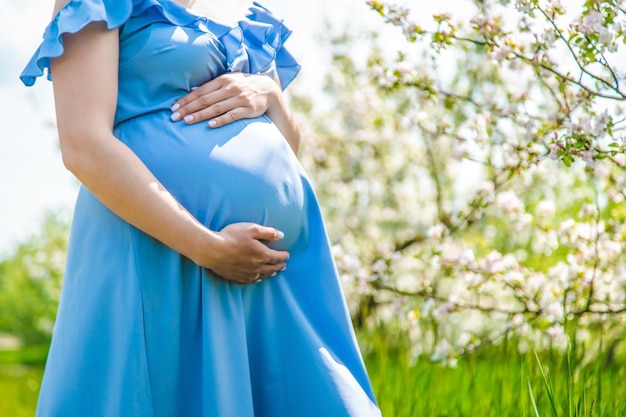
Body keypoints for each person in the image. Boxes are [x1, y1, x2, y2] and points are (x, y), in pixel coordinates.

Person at [21, 0, 382, 415]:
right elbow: (83, 144)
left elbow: (284, 150)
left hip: (273, 270)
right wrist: (206, 246)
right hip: (162, 252)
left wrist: (272, 97)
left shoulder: (243, 10)